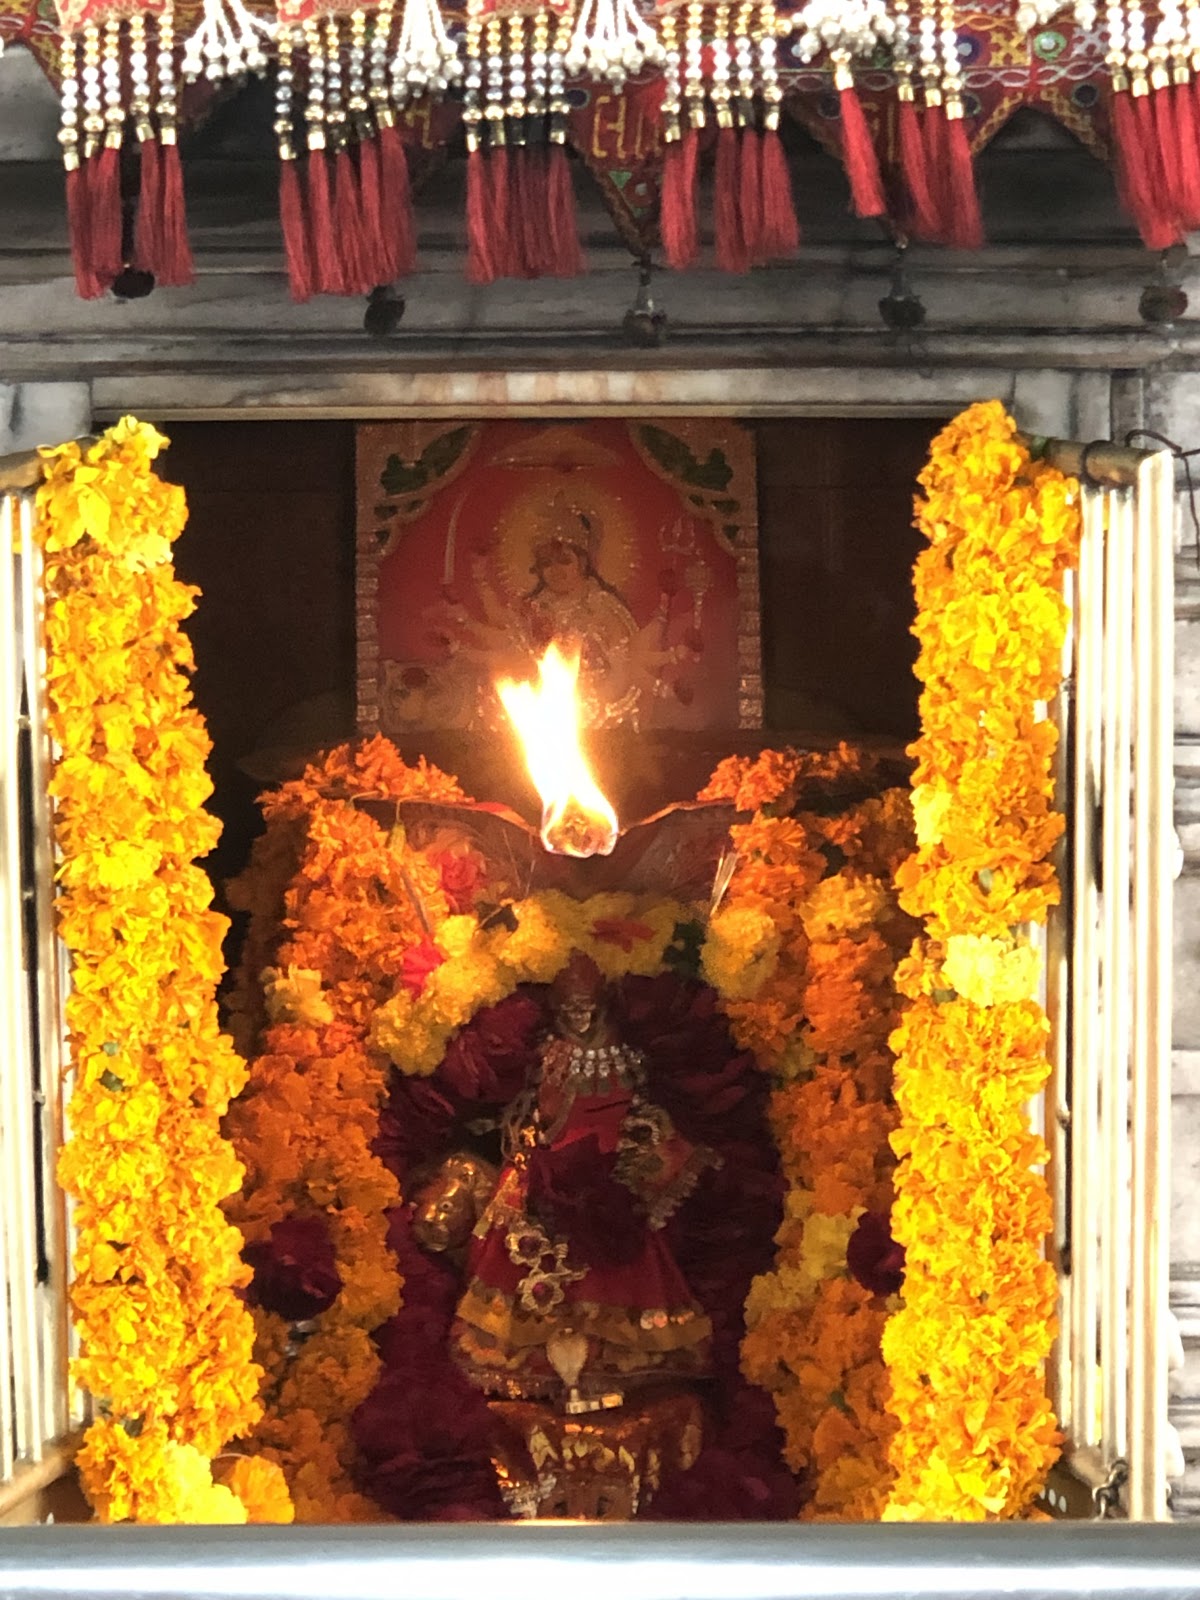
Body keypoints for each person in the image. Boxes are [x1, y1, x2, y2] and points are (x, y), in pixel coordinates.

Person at [415, 953, 715, 1411]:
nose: (579, 1017)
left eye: (587, 1008)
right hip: (549, 1174)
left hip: (614, 1179)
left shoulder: (627, 1056)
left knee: (621, 1261)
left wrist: (647, 1156)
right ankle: (540, 1364)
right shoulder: (546, 1054)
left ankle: (611, 1364)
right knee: (529, 1256)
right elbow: (530, 1113)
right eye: (570, 1008)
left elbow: (641, 1111)